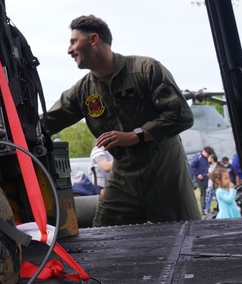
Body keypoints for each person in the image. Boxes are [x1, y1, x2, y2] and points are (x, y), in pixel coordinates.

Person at [42, 15, 201, 226]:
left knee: (189, 236)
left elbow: (181, 115)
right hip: (123, 175)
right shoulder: (82, 91)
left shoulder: (146, 69)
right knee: (102, 236)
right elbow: (45, 123)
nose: (69, 50)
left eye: (73, 41)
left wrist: (134, 136)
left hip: (165, 172)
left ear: (93, 39)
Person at [189, 146, 215, 213]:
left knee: (208, 192)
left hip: (206, 177)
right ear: (205, 152)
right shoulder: (198, 156)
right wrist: (197, 174)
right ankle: (204, 209)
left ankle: (207, 208)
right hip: (200, 179)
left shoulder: (207, 159)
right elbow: (191, 166)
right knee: (204, 193)